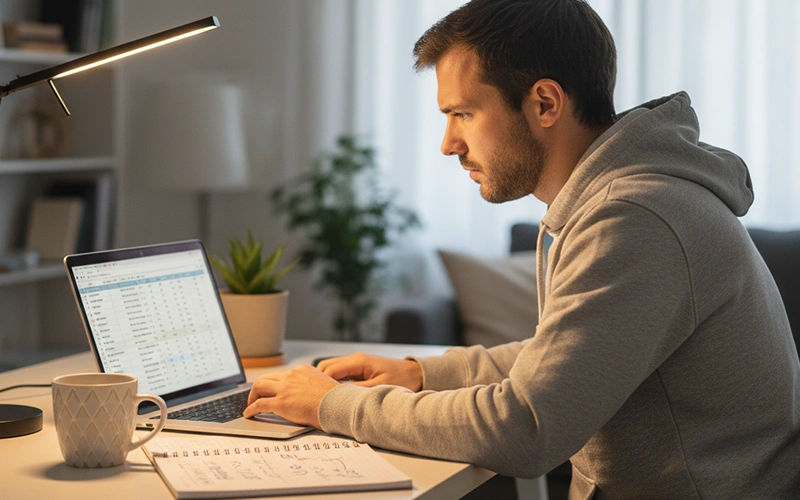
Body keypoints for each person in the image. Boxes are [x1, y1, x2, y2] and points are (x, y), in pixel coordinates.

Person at [246, 0, 800, 497]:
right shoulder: (625, 200)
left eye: (462, 113)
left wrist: (330, 404)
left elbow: (527, 428)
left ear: (545, 102)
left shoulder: (634, 217)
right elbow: (568, 359)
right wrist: (420, 374)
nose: (448, 144)